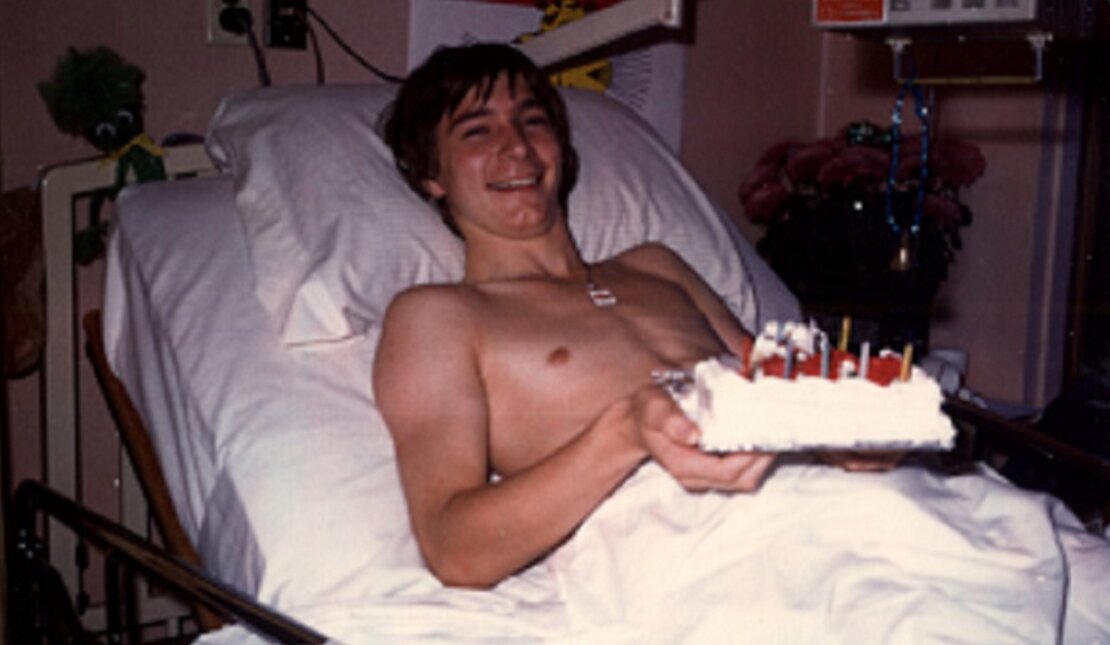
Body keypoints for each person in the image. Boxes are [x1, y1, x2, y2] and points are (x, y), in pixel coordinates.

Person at [374, 43, 883, 590]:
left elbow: (776, 381)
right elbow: (454, 549)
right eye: (478, 131)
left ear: (562, 152)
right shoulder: (437, 316)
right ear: (431, 174)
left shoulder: (656, 266)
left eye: (533, 122)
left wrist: (851, 432)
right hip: (694, 551)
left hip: (823, 506)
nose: (517, 147)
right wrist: (625, 432)